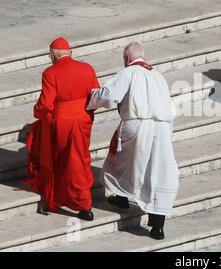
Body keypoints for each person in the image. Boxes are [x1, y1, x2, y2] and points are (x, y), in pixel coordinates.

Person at [87, 42, 179, 240]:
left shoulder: (129, 72)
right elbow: (169, 106)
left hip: (137, 125)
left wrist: (91, 98)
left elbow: (110, 95)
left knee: (119, 159)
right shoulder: (158, 75)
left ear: (127, 59)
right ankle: (157, 226)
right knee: (158, 172)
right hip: (162, 127)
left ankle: (121, 198)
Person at [23, 37, 99, 221]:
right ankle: (83, 204)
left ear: (51, 55)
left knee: (60, 160)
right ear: (70, 53)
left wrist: (37, 112)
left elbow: (46, 104)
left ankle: (64, 198)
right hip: (83, 121)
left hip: (61, 123)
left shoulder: (50, 73)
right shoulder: (87, 68)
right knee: (79, 160)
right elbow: (96, 95)